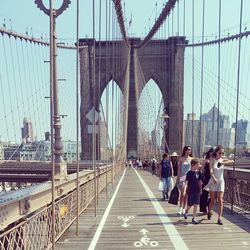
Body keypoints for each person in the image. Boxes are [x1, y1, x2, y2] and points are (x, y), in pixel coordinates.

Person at [204, 145, 233, 225]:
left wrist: (226, 161)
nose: (221, 154)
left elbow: (230, 161)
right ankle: (209, 211)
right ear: (216, 152)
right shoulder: (212, 160)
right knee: (213, 201)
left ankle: (219, 218)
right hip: (213, 181)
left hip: (221, 181)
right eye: (220, 152)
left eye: (223, 153)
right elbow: (211, 171)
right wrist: (213, 178)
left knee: (220, 199)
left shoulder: (222, 160)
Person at [183, 158, 203, 224]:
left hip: (197, 191)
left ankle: (194, 218)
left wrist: (201, 190)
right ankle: (186, 211)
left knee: (196, 204)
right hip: (191, 191)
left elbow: (200, 181)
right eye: (197, 164)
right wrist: (184, 191)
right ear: (193, 165)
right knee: (190, 204)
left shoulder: (198, 172)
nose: (199, 165)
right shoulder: (189, 173)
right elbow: (186, 182)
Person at [177, 146, 192, 215]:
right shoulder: (181, 158)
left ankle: (183, 208)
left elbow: (194, 168)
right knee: (182, 193)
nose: (189, 151)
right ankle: (180, 208)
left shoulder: (191, 159)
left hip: (189, 178)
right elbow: (179, 169)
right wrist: (178, 177)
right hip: (182, 178)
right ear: (185, 151)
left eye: (190, 150)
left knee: (186, 194)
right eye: (188, 149)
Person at [199, 148, 214, 214]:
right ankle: (204, 209)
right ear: (210, 153)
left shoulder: (214, 160)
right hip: (206, 179)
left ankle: (209, 207)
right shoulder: (206, 161)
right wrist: (201, 179)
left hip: (213, 178)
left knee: (213, 195)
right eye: (213, 152)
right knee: (204, 194)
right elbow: (202, 170)